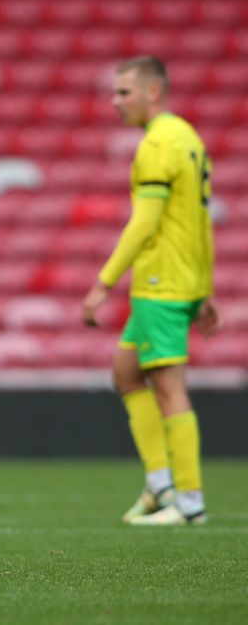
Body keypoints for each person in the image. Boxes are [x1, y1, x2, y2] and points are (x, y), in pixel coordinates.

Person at [82, 55, 219, 526]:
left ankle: (190, 502)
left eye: (124, 92)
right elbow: (199, 220)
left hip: (161, 282)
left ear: (153, 92)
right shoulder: (187, 138)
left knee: (167, 385)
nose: (115, 102)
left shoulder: (156, 144)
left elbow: (147, 222)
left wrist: (102, 284)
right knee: (126, 371)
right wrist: (203, 289)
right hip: (178, 280)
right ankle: (161, 487)